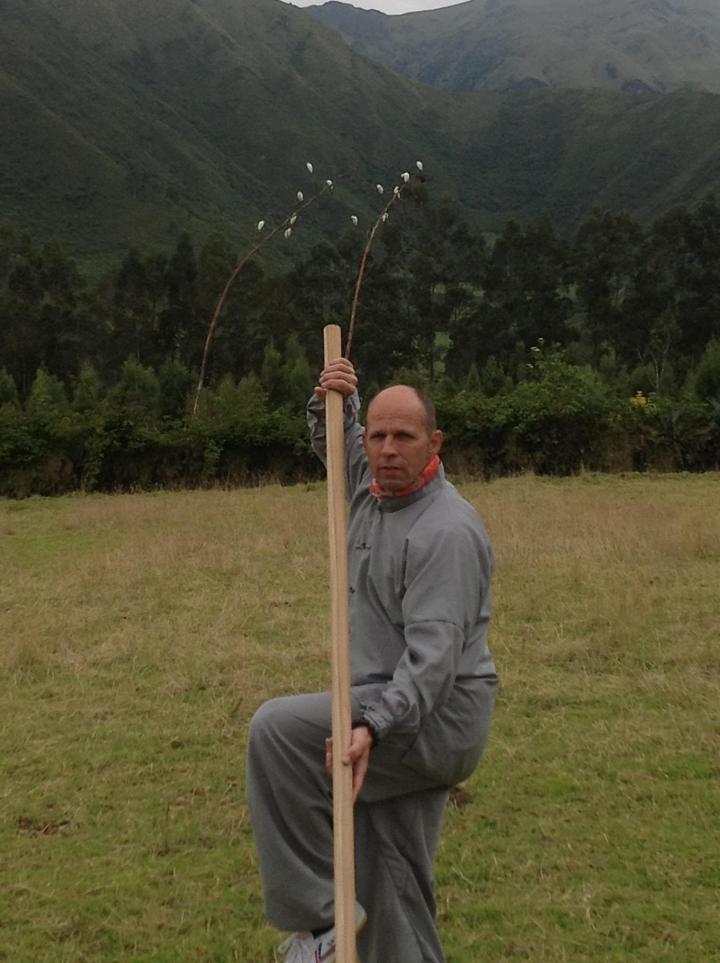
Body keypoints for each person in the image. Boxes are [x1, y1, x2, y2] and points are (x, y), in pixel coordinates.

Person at [246, 357, 497, 963]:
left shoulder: (445, 532)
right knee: (390, 871)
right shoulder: (373, 491)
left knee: (277, 734)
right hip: (389, 705)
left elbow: (433, 661)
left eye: (404, 436)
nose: (387, 449)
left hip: (432, 716)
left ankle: (321, 919)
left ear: (434, 443)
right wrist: (334, 399)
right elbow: (339, 445)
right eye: (377, 435)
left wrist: (373, 727)